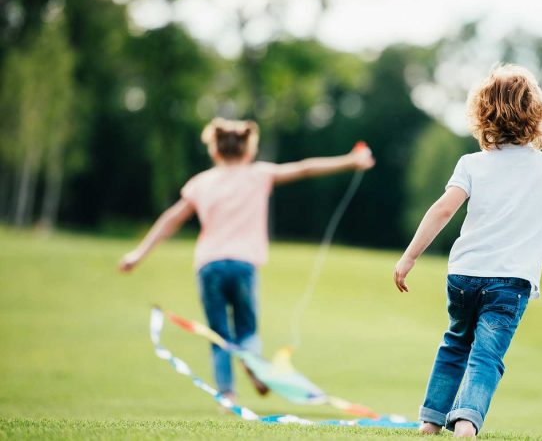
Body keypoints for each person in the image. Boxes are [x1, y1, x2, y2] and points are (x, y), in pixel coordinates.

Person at [393, 64, 542, 438]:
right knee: (486, 355)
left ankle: (431, 420)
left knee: (455, 343)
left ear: (482, 115)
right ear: (537, 117)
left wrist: (410, 256)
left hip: (464, 276)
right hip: (510, 282)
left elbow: (442, 209)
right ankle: (466, 421)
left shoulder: (471, 164)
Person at [119, 118, 375, 401]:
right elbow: (305, 168)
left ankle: (228, 396)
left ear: (214, 151)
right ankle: (255, 367)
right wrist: (351, 161)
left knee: (218, 334)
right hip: (243, 264)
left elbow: (172, 219)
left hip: (209, 265)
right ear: (249, 150)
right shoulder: (259, 174)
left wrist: (138, 253)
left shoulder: (201, 183)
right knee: (247, 330)